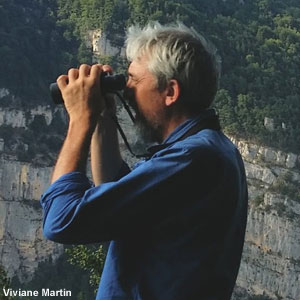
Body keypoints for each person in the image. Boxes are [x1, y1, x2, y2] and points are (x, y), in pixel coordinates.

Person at [41, 22, 248, 300]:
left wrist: (80, 121)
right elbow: (117, 194)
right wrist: (103, 118)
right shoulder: (211, 151)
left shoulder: (192, 158)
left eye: (133, 80)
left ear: (170, 92)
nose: (126, 90)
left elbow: (61, 220)